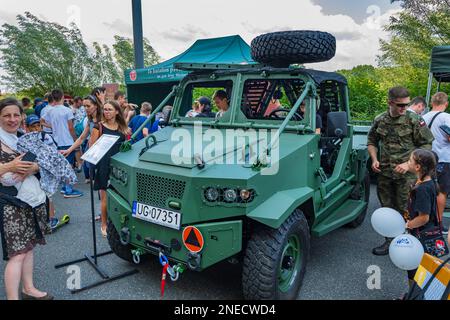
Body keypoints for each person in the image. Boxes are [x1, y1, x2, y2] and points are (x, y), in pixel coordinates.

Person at [367, 86, 434, 256]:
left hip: (407, 176)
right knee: (388, 210)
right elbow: (372, 141)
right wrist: (374, 159)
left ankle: (408, 246)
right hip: (385, 174)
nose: (404, 108)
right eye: (400, 105)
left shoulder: (414, 120)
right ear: (390, 102)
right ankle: (390, 242)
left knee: (407, 209)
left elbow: (426, 145)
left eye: (406, 104)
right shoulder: (380, 119)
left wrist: (409, 164)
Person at [0, 98, 53, 300]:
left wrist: (35, 167)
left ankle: (28, 288)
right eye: (6, 115)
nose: (12, 119)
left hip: (32, 199)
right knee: (17, 254)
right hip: (9, 202)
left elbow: (43, 163)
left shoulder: (23, 136)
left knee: (29, 247)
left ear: (22, 116)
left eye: (16, 115)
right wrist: (9, 167)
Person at [89, 100, 128, 237]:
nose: (106, 112)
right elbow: (91, 148)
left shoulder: (122, 127)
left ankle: (118, 222)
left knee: (121, 196)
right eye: (105, 109)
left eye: (110, 109)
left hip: (120, 166)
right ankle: (104, 224)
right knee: (105, 197)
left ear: (117, 111)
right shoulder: (98, 127)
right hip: (104, 165)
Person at [404, 149, 440, 286]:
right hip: (423, 232)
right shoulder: (426, 182)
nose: (407, 163)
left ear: (418, 167)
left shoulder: (423, 189)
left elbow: (424, 218)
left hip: (421, 235)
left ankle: (415, 294)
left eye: (410, 161)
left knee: (416, 270)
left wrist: (408, 225)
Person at [43, 89, 83, 198]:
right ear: (62, 97)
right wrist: (76, 139)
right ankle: (68, 189)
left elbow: (41, 121)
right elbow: (70, 127)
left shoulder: (50, 110)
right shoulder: (67, 110)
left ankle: (65, 187)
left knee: (61, 164)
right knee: (68, 165)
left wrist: (52, 127)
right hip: (67, 140)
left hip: (56, 140)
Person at [25, 114, 60, 230]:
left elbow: (54, 154)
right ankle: (36, 219)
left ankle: (51, 218)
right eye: (33, 127)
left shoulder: (46, 137)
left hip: (45, 170)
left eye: (38, 125)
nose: (36, 129)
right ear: (27, 128)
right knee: (33, 194)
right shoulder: (24, 139)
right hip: (31, 171)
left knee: (48, 195)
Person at [422, 92, 450, 234]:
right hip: (443, 160)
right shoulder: (447, 117)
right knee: (441, 192)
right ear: (446, 104)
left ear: (432, 103)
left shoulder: (422, 117)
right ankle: (438, 224)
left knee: (425, 190)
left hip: (424, 159)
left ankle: (423, 220)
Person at [62, 95, 103, 184]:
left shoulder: (103, 119)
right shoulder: (90, 120)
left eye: (88, 106)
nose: (86, 108)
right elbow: (81, 138)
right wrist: (69, 150)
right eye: (84, 106)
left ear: (96, 105)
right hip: (93, 152)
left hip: (103, 153)